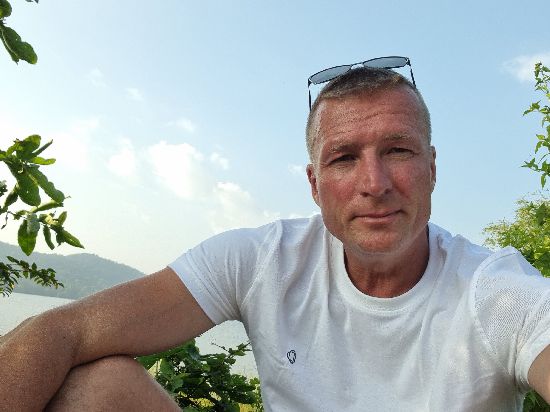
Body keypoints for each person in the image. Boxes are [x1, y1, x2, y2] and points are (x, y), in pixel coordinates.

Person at [1, 61, 550, 412]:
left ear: (431, 168)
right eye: (344, 158)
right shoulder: (264, 261)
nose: (375, 183)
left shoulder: (495, 292)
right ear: (314, 185)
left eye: (398, 150)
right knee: (98, 388)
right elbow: (63, 330)